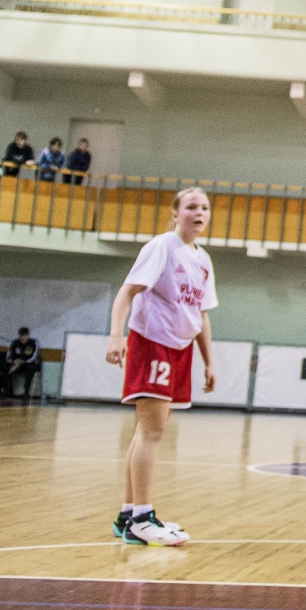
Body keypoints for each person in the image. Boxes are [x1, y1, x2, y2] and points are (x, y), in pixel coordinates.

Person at [105, 187, 217, 547]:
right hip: (152, 342)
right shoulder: (161, 247)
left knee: (147, 431)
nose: (199, 213)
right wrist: (116, 336)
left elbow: (201, 314)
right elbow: (126, 292)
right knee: (152, 432)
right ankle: (142, 517)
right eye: (191, 207)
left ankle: (128, 514)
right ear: (175, 213)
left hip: (180, 349)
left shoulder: (203, 259)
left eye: (204, 208)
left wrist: (208, 361)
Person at [6, 326, 42, 398]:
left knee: (30, 369)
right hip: (16, 364)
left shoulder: (34, 343)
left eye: (24, 336)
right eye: (21, 336)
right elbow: (8, 356)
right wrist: (14, 361)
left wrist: (21, 362)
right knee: (6, 368)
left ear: (28, 335)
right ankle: (8, 392)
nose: (22, 338)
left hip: (29, 363)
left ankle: (26, 392)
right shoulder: (14, 342)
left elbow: (34, 357)